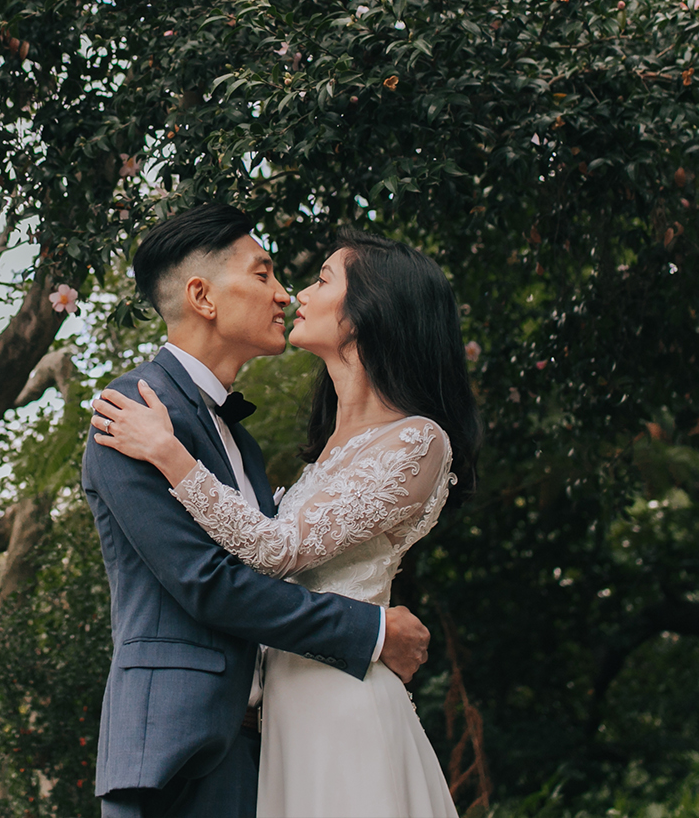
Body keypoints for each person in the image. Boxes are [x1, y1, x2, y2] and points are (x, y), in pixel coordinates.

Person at [92, 224, 481, 818]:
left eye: (318, 279)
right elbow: (208, 582)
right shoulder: (133, 417)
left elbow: (273, 552)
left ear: (366, 311)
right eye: (264, 273)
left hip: (310, 720)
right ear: (203, 297)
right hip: (181, 749)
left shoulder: (407, 440)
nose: (288, 293)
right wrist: (372, 631)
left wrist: (175, 457)